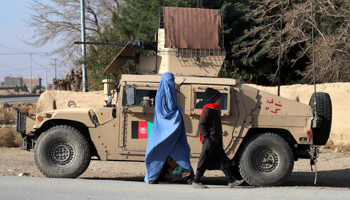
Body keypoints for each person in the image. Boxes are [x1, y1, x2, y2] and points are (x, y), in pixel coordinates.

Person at [144, 72, 194, 184]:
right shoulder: (169, 92)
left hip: (162, 130)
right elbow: (169, 110)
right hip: (173, 129)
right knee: (179, 151)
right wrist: (177, 114)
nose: (170, 84)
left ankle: (154, 176)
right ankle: (189, 176)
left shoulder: (159, 95)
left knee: (160, 150)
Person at [192, 87, 244, 189]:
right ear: (214, 98)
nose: (220, 99)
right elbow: (201, 125)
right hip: (210, 141)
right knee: (204, 160)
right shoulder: (208, 111)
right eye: (219, 97)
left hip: (216, 141)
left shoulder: (216, 110)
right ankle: (196, 180)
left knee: (223, 160)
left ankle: (231, 180)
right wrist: (207, 137)